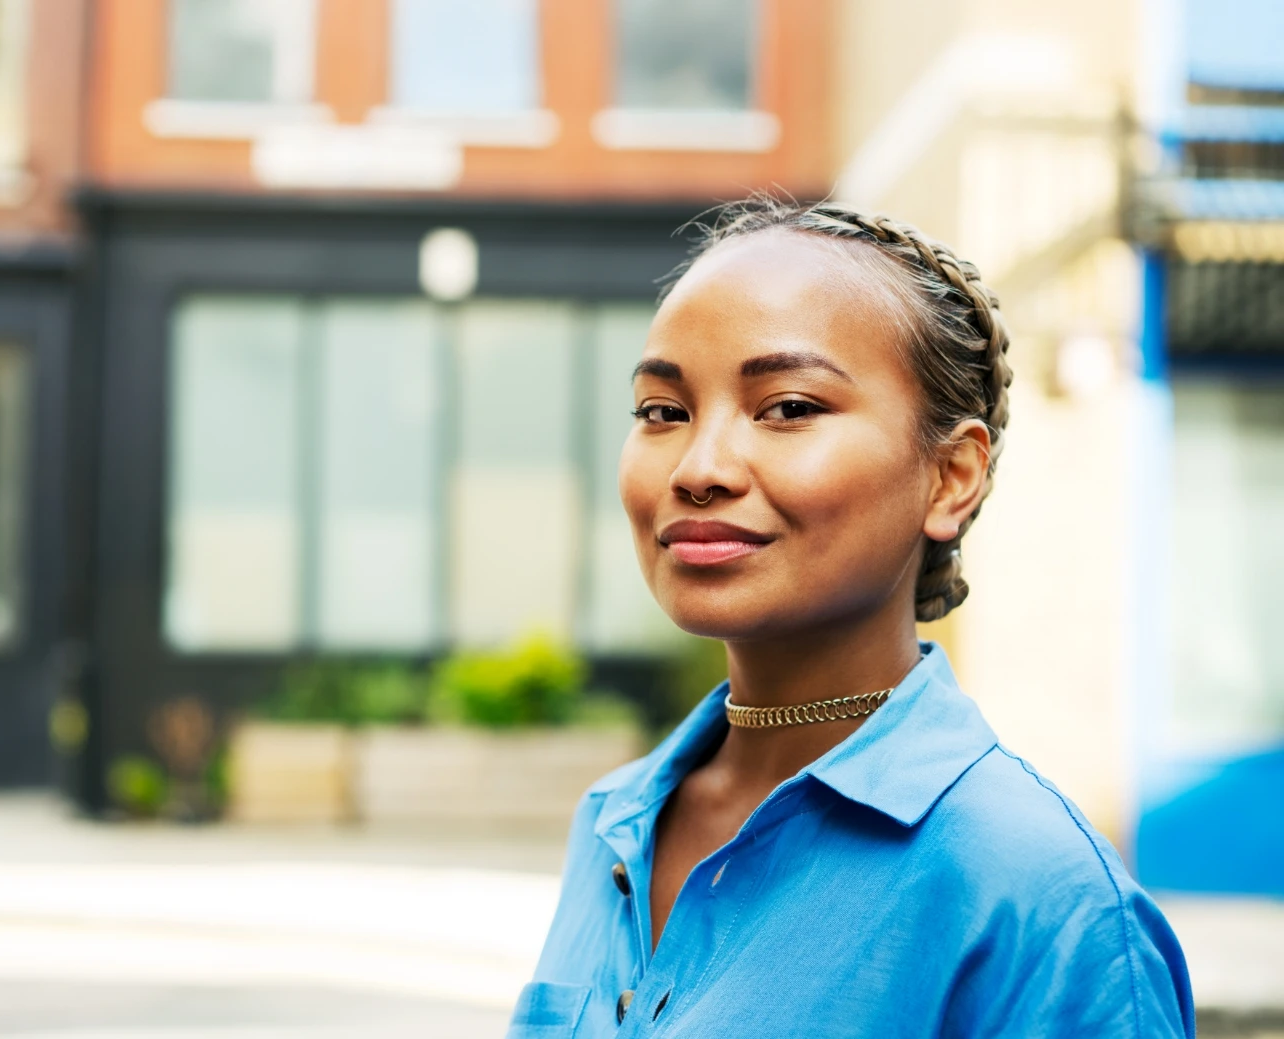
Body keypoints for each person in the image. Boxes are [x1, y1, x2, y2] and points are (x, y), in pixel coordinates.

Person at [508, 197, 1193, 1038]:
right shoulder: (614, 823)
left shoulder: (1042, 904)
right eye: (663, 411)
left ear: (950, 477)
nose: (699, 467)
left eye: (788, 407)